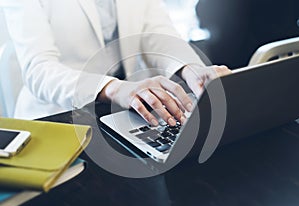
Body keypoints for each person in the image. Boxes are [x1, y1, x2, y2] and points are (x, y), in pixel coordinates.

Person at [2, 0, 230, 123]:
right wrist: (113, 88)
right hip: (58, 116)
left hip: (124, 114)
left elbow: (156, 33)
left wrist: (191, 69)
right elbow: (39, 70)